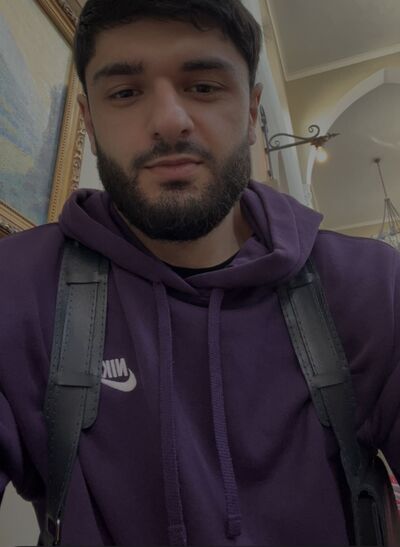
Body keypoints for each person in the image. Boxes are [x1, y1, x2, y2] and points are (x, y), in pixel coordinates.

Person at [0, 0, 399, 545]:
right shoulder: (18, 289)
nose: (169, 120)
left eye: (204, 86)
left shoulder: (371, 286)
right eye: (126, 92)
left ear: (253, 111)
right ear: (89, 122)